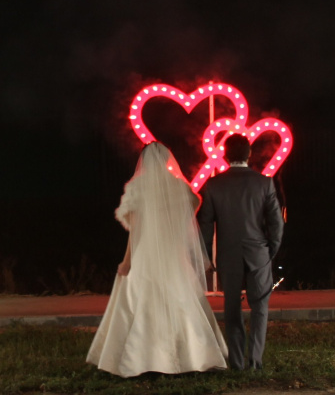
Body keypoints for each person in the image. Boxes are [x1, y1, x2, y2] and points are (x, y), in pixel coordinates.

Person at [87, 143, 230, 377]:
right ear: (167, 161)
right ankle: (188, 356)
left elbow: (135, 232)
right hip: (173, 254)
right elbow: (194, 204)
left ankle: (141, 358)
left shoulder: (138, 188)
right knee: (180, 301)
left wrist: (127, 261)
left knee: (140, 303)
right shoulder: (179, 187)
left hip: (146, 254)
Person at [195, 134, 283, 370]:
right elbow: (276, 223)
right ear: (249, 154)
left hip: (228, 254)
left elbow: (205, 224)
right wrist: (270, 250)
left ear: (225, 154)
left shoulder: (213, 185)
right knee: (260, 306)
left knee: (231, 307)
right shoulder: (265, 183)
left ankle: (236, 362)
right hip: (259, 252)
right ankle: (255, 361)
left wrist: (205, 256)